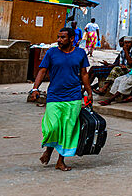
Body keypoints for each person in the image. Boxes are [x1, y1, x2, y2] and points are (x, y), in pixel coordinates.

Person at [30, 27, 91, 171]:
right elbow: (43, 70)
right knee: (53, 127)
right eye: (58, 37)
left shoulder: (80, 53)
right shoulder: (51, 52)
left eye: (63, 37)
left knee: (68, 129)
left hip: (74, 96)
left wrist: (89, 91)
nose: (59, 40)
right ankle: (49, 150)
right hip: (55, 96)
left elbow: (84, 74)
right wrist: (35, 88)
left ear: (71, 39)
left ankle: (60, 161)